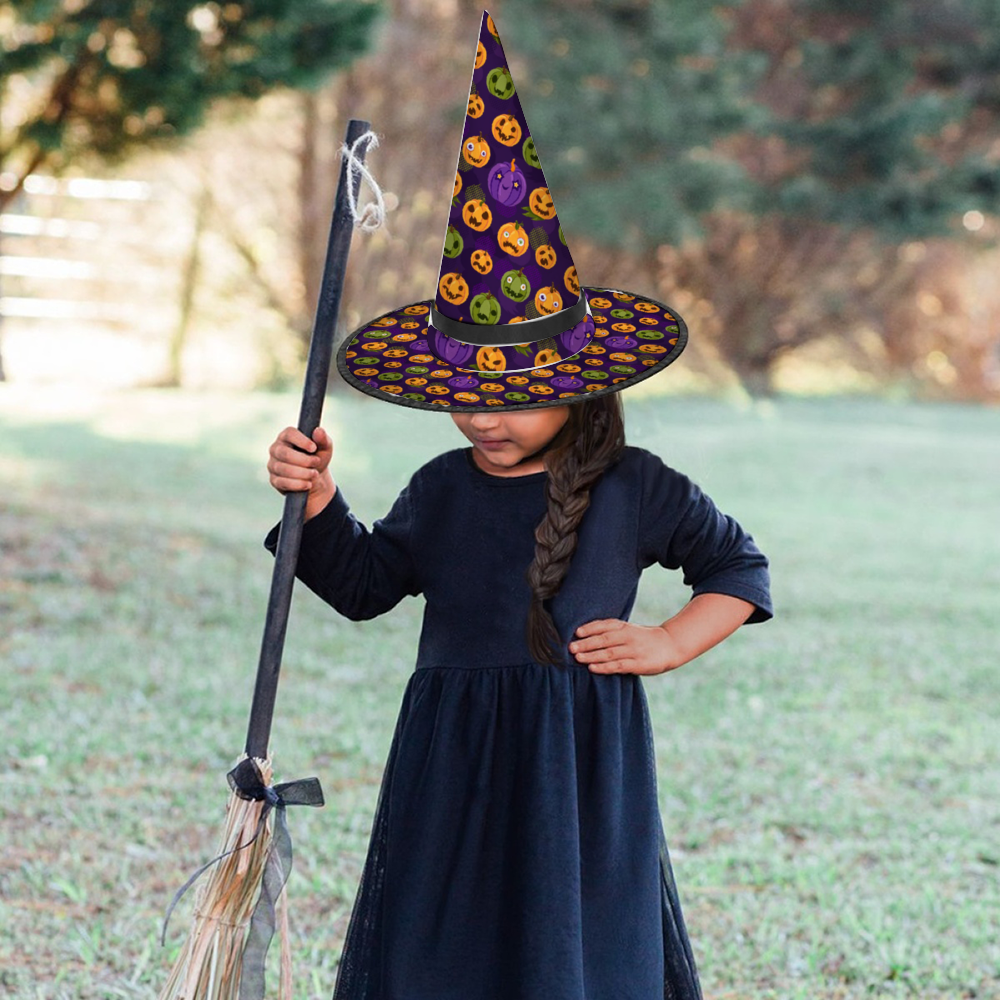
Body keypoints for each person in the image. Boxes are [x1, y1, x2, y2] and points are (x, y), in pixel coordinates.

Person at [263, 390, 772, 999]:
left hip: (575, 767)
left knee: (574, 931)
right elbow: (363, 585)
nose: (481, 418)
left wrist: (668, 640)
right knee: (445, 934)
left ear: (578, 388)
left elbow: (738, 566)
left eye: (511, 399)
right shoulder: (441, 486)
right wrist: (317, 499)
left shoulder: (632, 483)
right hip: (452, 766)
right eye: (464, 395)